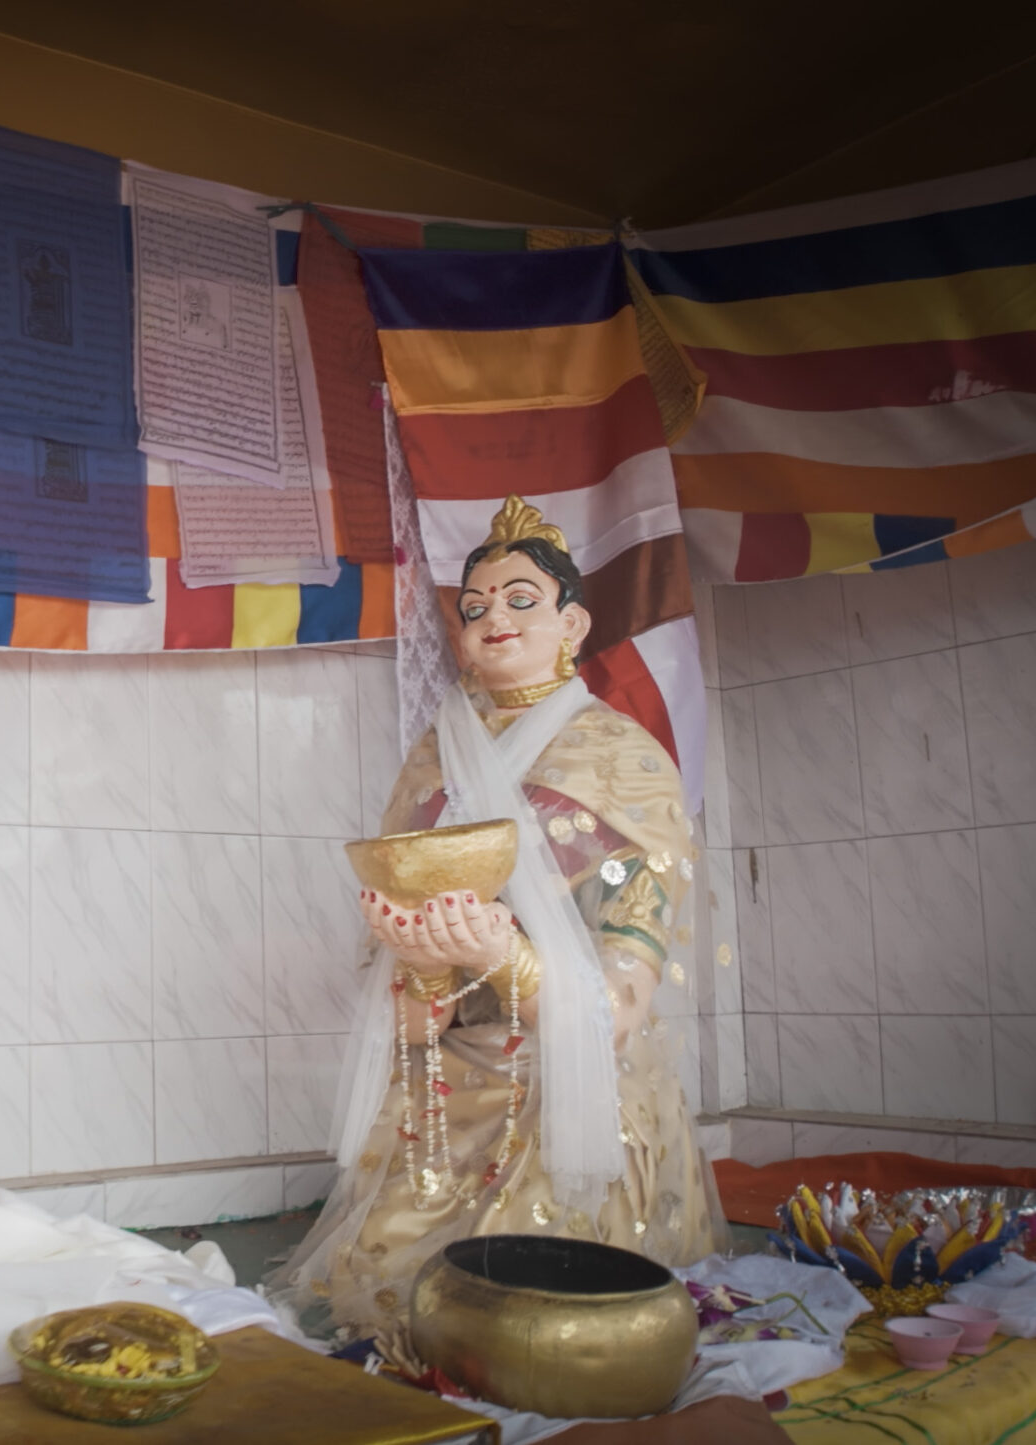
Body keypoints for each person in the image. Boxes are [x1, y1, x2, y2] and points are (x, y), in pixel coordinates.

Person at [269, 495, 717, 1352]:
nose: (492, 621)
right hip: (451, 1078)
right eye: (474, 608)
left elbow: (619, 1006)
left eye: (520, 600)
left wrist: (506, 956)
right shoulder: (436, 757)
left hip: (572, 1080)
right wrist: (425, 967)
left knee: (537, 1316)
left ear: (573, 622)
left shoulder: (625, 760)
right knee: (385, 1301)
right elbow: (401, 1010)